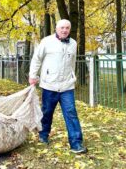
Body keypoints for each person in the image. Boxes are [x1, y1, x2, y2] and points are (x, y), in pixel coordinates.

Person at [28, 19, 87, 154]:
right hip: (49, 84)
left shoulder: (73, 44)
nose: (64, 30)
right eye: (62, 28)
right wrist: (33, 75)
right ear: (56, 28)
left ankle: (76, 143)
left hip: (67, 86)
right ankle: (43, 135)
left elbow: (72, 63)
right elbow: (37, 59)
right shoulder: (46, 42)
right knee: (47, 112)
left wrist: (72, 77)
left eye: (67, 28)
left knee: (71, 113)